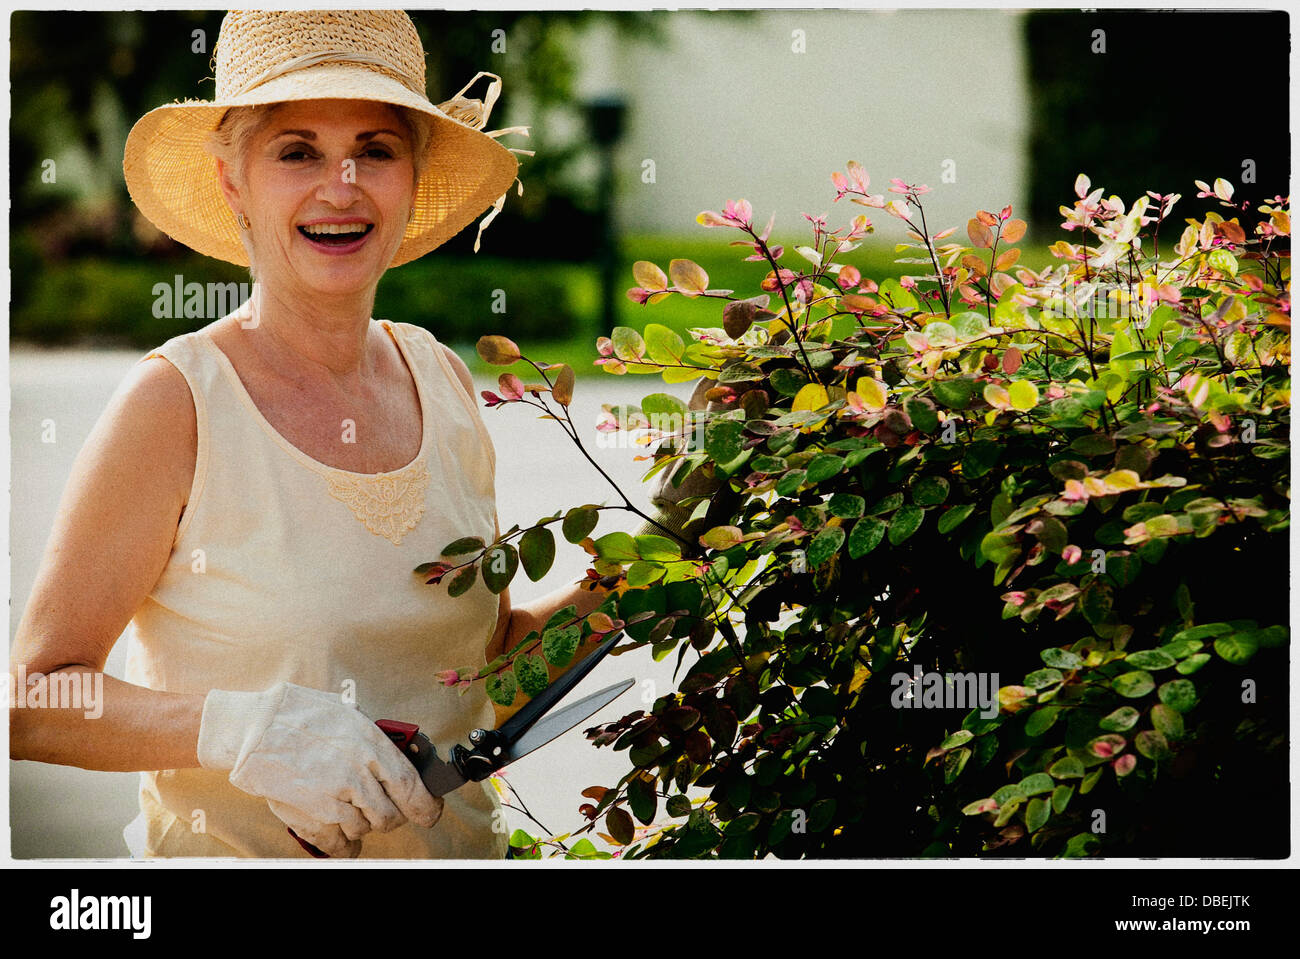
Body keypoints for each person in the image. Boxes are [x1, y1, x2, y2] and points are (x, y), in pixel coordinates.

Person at [8, 9, 611, 859]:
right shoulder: (176, 403)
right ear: (232, 182)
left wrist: (658, 563)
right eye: (297, 152)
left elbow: (483, 676)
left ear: (412, 174)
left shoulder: (441, 378)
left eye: (377, 147)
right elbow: (31, 704)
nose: (344, 184)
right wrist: (246, 730)